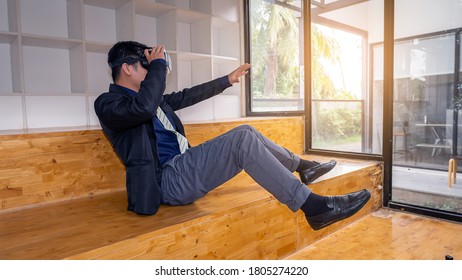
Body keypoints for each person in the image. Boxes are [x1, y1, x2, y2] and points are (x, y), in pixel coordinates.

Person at [94, 41, 370, 231]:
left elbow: (188, 95)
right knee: (242, 141)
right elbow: (142, 108)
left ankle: (302, 166)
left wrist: (227, 79)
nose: (152, 67)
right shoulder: (108, 104)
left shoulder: (151, 100)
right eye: (145, 64)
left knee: (246, 132)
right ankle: (313, 206)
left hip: (181, 166)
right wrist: (158, 67)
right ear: (127, 68)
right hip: (164, 181)